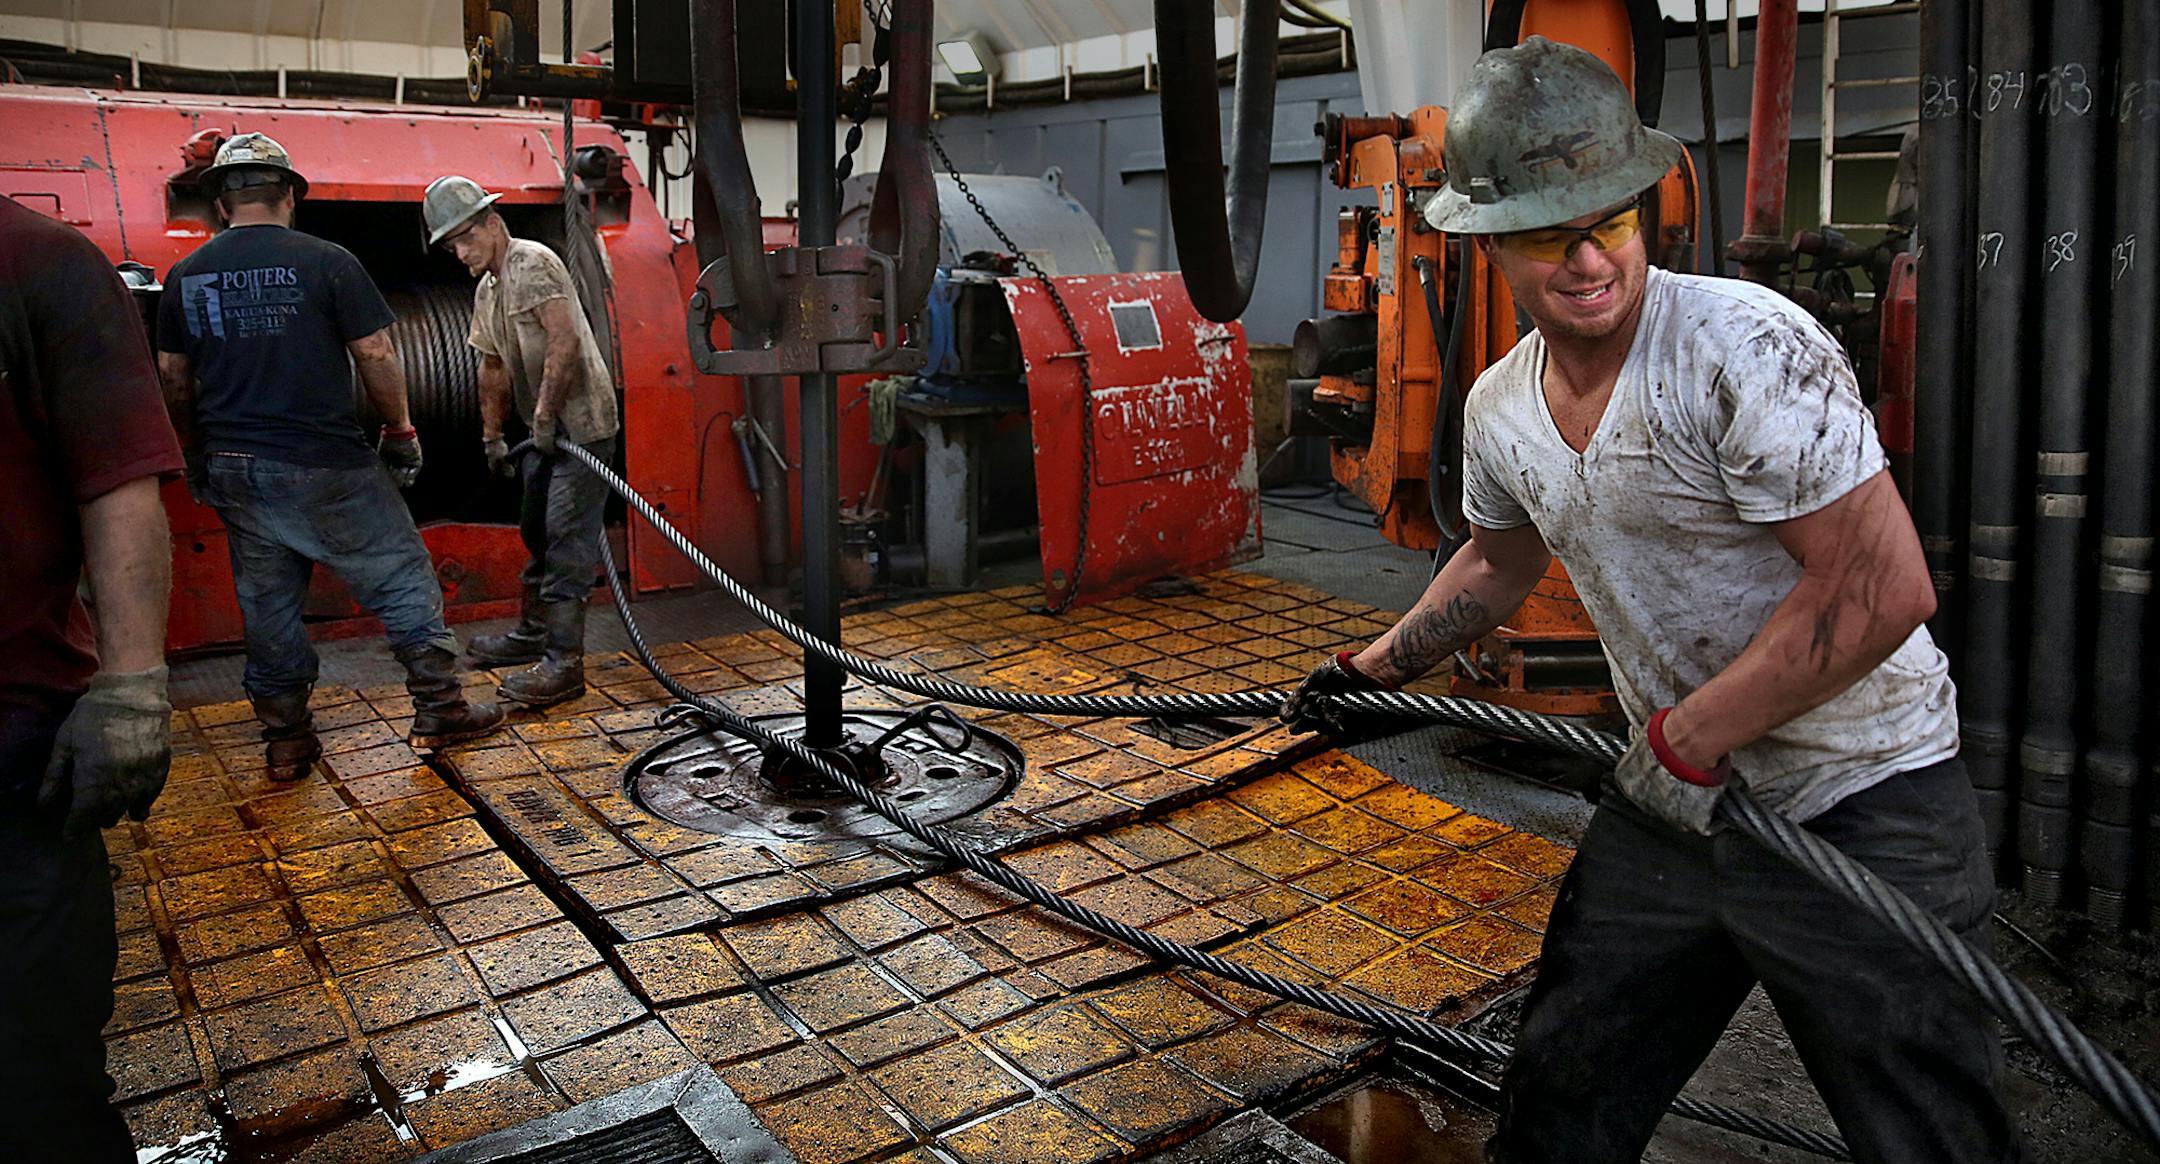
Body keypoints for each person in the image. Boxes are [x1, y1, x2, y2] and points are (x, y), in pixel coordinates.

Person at [1280, 39, 2021, 1164]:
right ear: (1489, 241)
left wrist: (1684, 743)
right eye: (1547, 231)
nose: (1586, 259)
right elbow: (1495, 567)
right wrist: (1371, 671)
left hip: (1864, 802)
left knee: (1928, 1139)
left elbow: (1880, 588)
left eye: (1609, 221)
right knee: (1564, 1092)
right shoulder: (1499, 407)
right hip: (1678, 808)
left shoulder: (1744, 347)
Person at [157, 133, 503, 778]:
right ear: (289, 195)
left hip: (236, 466)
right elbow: (375, 354)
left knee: (268, 606)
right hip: (325, 463)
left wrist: (195, 453)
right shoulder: (327, 261)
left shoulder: (187, 275)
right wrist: (400, 432)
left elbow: (174, 375)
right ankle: (440, 707)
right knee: (401, 578)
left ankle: (288, 741)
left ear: (222, 205)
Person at [0, 194, 183, 1159]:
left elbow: (119, 475)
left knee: (33, 1077)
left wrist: (130, 687)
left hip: (11, 739)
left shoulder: (34, 260)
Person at [423, 175, 621, 709]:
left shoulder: (532, 263)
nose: (460, 253)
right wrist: (491, 434)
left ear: (492, 222)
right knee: (536, 528)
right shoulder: (488, 288)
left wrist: (544, 416)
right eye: (450, 246)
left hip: (581, 427)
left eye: (464, 238)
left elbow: (565, 341)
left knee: (566, 538)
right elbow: (491, 365)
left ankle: (564, 664)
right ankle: (533, 634)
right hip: (545, 434)